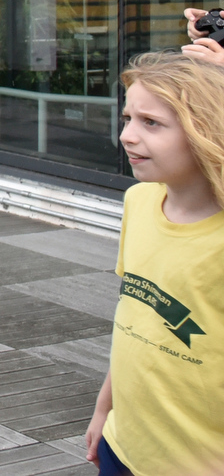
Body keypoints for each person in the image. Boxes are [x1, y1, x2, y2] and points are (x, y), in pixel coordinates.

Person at [83, 51, 224, 476]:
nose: (126, 135)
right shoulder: (139, 201)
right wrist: (103, 410)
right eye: (127, 118)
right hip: (123, 447)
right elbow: (137, 318)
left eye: (151, 123)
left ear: (207, 131)